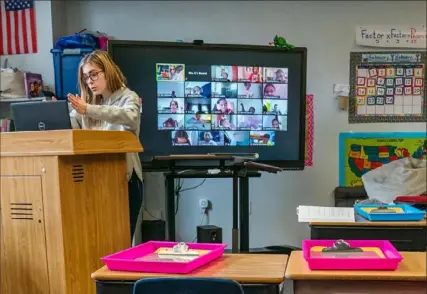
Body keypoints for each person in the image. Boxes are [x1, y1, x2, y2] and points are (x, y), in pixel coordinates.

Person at [51, 50, 143, 242]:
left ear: (107, 71)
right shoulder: (89, 103)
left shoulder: (128, 97)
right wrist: (54, 114)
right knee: (99, 240)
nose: (89, 81)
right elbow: (72, 127)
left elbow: (131, 118)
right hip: (96, 181)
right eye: (85, 77)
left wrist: (88, 109)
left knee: (121, 241)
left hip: (125, 180)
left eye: (94, 74)